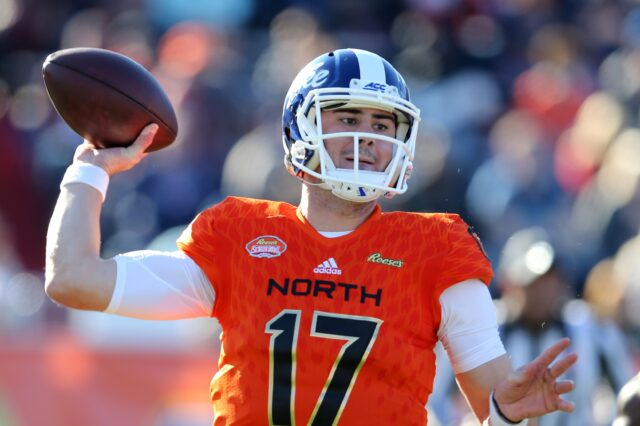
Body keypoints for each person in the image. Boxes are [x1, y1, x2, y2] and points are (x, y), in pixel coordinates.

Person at [45, 48, 577, 425]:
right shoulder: (240, 233)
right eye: (346, 116)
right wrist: (90, 169)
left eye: (383, 124)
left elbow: (494, 407)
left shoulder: (435, 247)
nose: (366, 138)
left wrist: (506, 415)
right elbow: (72, 279)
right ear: (301, 130)